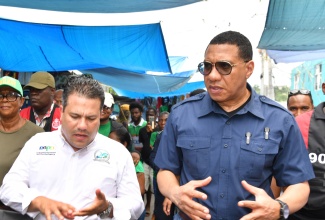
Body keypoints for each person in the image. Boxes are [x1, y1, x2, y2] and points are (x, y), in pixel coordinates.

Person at [154, 31, 314, 219]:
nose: (212, 76)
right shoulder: (182, 115)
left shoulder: (279, 120)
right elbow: (165, 171)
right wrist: (174, 193)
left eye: (224, 67)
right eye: (206, 66)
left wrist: (278, 208)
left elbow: (299, 185)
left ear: (249, 68)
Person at [0, 75, 144, 220]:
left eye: (91, 118)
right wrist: (38, 201)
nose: (82, 126)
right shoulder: (37, 144)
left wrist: (108, 208)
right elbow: (9, 188)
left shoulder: (118, 153)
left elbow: (135, 204)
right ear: (61, 112)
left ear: (100, 115)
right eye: (75, 116)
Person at [0, 76, 44, 217]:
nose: (4, 99)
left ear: (21, 101)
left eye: (12, 95)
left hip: (16, 212)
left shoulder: (37, 135)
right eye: (0, 95)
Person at [288, 82, 325, 219]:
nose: (298, 112)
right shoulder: (298, 124)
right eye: (293, 108)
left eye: (304, 107)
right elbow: (278, 173)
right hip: (305, 214)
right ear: (324, 88)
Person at [148, 112, 175, 220]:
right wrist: (163, 171)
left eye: (166, 120)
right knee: (163, 211)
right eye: (161, 120)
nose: (163, 123)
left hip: (180, 181)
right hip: (162, 180)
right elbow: (152, 156)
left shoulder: (182, 133)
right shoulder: (160, 136)